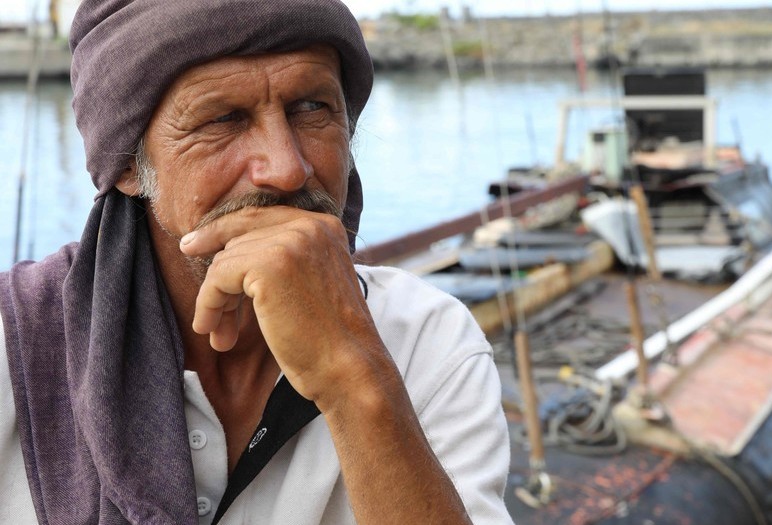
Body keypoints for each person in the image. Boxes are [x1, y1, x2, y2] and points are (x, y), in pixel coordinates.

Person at [0, 1, 513, 524]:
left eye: (312, 108)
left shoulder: (428, 342)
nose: (287, 169)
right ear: (129, 165)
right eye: (223, 118)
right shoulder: (15, 340)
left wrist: (352, 376)